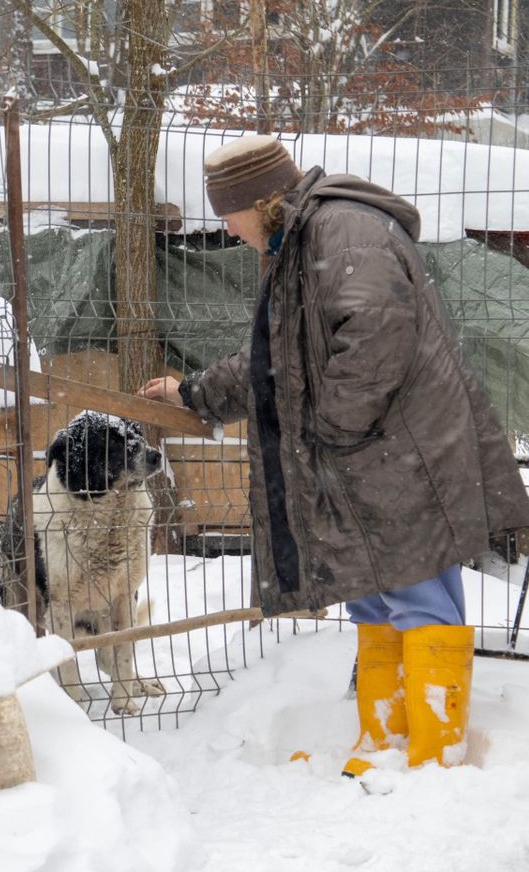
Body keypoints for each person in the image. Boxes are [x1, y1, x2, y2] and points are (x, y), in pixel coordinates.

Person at [140, 134, 529, 778]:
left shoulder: (342, 233)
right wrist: (196, 393)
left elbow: (378, 335)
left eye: (227, 215)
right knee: (372, 597)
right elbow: (276, 360)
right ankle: (386, 742)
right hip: (365, 453)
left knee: (415, 591)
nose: (227, 231)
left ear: (258, 201)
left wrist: (330, 427)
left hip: (400, 452)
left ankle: (436, 757)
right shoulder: (298, 244)